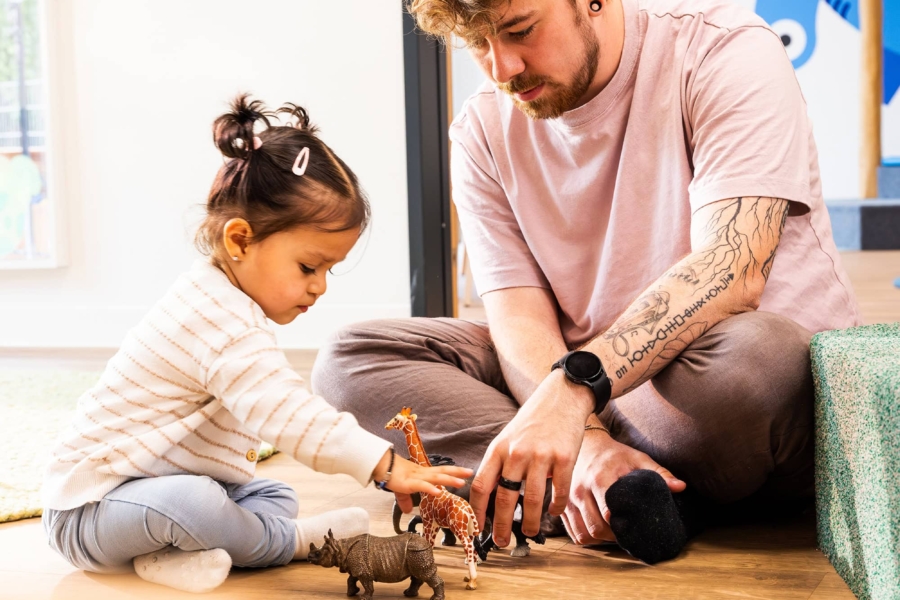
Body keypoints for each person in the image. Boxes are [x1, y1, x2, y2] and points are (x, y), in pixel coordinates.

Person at [312, 0, 862, 564]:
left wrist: (575, 390)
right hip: (586, 388)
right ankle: (614, 487)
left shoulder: (724, 48)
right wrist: (589, 439)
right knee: (351, 361)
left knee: (760, 363)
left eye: (520, 31)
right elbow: (519, 315)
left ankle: (548, 490)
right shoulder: (481, 129)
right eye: (477, 44)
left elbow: (733, 267)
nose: (502, 68)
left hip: (713, 389)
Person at [40, 95, 471, 593]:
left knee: (270, 491)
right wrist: (385, 464)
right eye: (309, 267)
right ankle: (287, 543)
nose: (320, 286)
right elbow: (286, 414)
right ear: (240, 241)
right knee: (194, 504)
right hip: (88, 512)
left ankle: (179, 552)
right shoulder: (215, 318)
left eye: (329, 270)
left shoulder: (226, 304)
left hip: (155, 491)